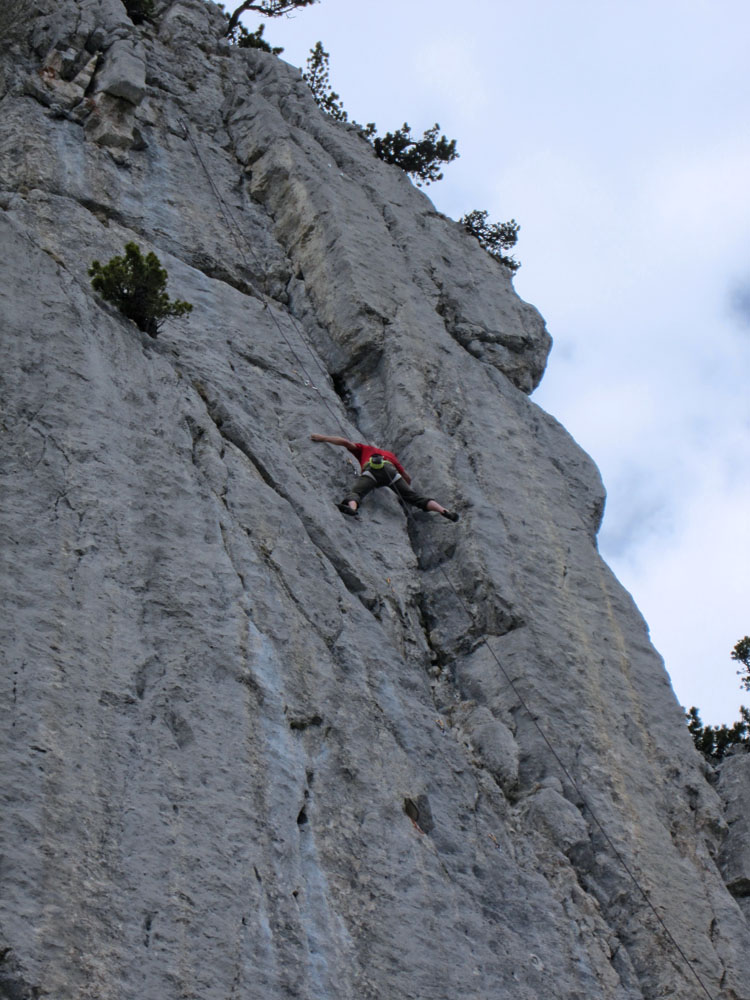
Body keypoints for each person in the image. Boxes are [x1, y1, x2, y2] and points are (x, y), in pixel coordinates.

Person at [310, 433, 459, 521]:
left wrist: (322, 438)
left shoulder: (364, 449)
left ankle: (352, 509)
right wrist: (402, 496)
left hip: (371, 471)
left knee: (356, 492)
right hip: (390, 472)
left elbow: (345, 442)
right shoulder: (390, 456)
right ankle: (444, 511)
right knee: (416, 498)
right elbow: (406, 476)